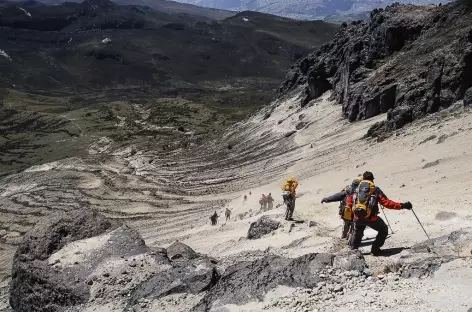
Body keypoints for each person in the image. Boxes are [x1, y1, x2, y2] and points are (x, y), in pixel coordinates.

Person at [346, 171, 412, 256]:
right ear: (372, 180)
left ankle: (353, 252)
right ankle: (375, 250)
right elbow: (387, 203)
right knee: (383, 229)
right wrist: (403, 206)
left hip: (357, 217)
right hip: (371, 218)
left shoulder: (356, 189)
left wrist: (354, 215)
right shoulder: (375, 189)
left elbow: (349, 203)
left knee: (358, 231)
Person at [321, 175, 362, 240]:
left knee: (346, 226)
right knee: (355, 227)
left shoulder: (347, 190)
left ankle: (344, 238)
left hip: (346, 214)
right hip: (356, 214)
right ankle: (350, 239)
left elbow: (337, 196)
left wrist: (327, 199)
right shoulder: (362, 192)